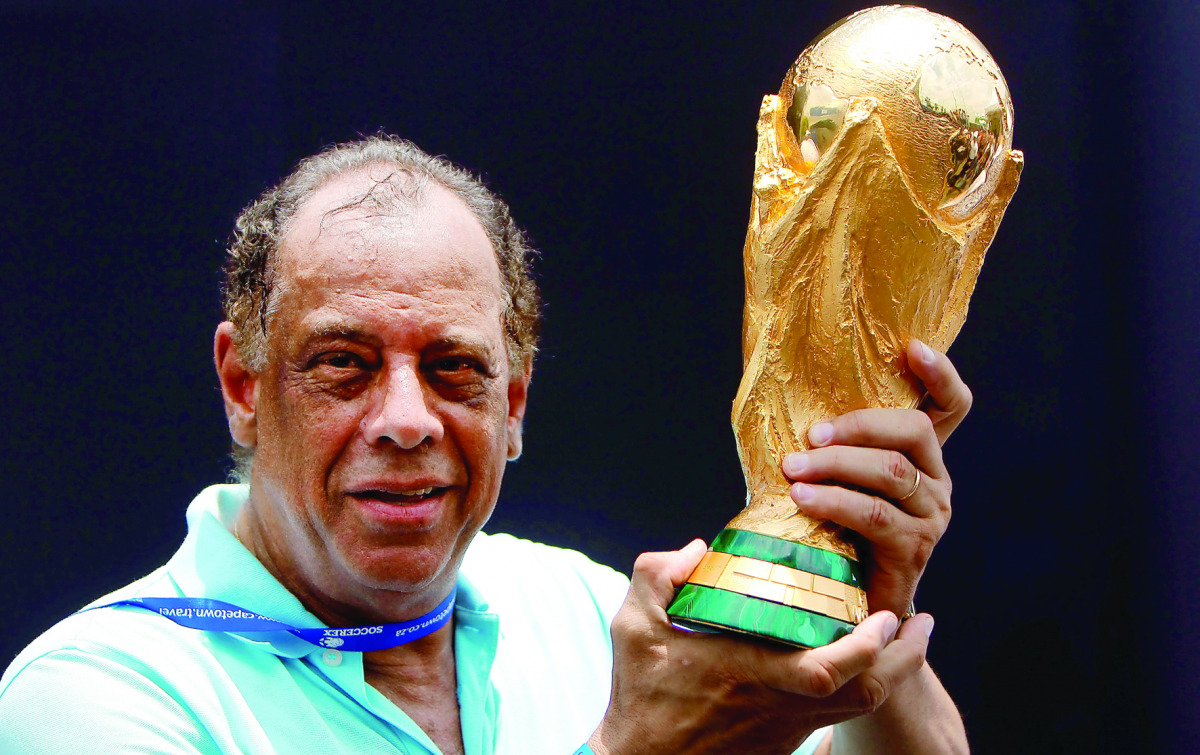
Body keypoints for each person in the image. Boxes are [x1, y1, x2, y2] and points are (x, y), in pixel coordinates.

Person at [0, 135, 971, 754]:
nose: (407, 418)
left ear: (513, 402)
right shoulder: (95, 694)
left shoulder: (588, 612)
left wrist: (871, 601)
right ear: (244, 385)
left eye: (455, 368)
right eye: (343, 362)